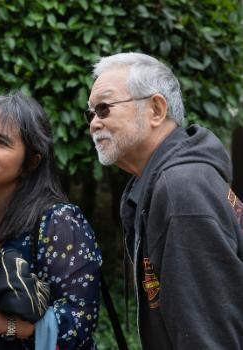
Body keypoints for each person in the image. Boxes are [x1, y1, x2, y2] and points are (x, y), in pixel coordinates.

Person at [86, 52, 243, 349]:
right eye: (91, 113)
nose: (94, 123)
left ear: (156, 109)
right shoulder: (174, 181)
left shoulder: (181, 191)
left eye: (104, 108)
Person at [0, 92, 102, 349]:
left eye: (2, 142)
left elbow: (80, 320)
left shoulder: (59, 221)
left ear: (31, 161)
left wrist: (2, 325)